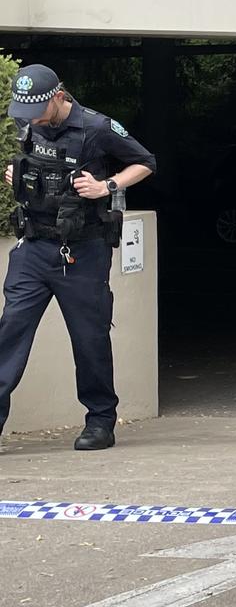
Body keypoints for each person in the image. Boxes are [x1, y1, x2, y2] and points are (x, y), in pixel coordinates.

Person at [1, 64, 156, 450]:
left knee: (89, 338)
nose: (29, 119)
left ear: (58, 97)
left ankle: (100, 420)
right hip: (34, 245)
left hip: (82, 250)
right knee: (10, 331)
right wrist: (15, 176)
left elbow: (145, 162)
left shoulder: (97, 127)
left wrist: (107, 185)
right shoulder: (29, 123)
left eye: (35, 110)